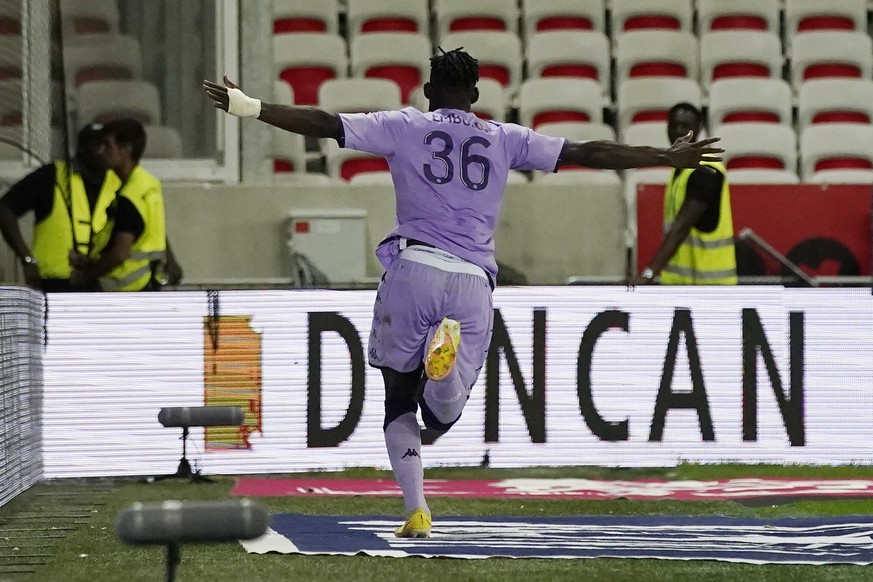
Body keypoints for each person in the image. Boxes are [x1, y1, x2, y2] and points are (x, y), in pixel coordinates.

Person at [203, 48, 723, 537]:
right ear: (475, 95)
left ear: (429, 91)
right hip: (473, 280)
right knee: (443, 415)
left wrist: (250, 106)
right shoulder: (504, 137)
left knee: (397, 398)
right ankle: (445, 376)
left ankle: (417, 509)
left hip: (414, 268)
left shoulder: (404, 125)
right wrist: (665, 155)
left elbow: (324, 123)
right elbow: (588, 151)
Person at [0, 123, 122, 291]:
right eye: (96, 144)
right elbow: (4, 208)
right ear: (81, 148)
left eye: (107, 145)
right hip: (53, 283)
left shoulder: (118, 183)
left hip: (101, 282)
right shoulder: (52, 176)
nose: (102, 151)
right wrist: (27, 259)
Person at [70, 118, 182, 291]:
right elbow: (150, 231)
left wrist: (87, 275)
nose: (100, 151)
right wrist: (171, 260)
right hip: (150, 283)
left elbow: (119, 253)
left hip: (126, 291)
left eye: (107, 146)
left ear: (126, 150)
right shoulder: (148, 183)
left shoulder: (128, 198)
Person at [636, 103, 737, 285]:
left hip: (711, 288)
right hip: (683, 285)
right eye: (673, 125)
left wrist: (649, 274)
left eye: (685, 126)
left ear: (698, 129)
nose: (678, 131)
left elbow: (680, 229)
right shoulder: (680, 170)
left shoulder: (705, 171)